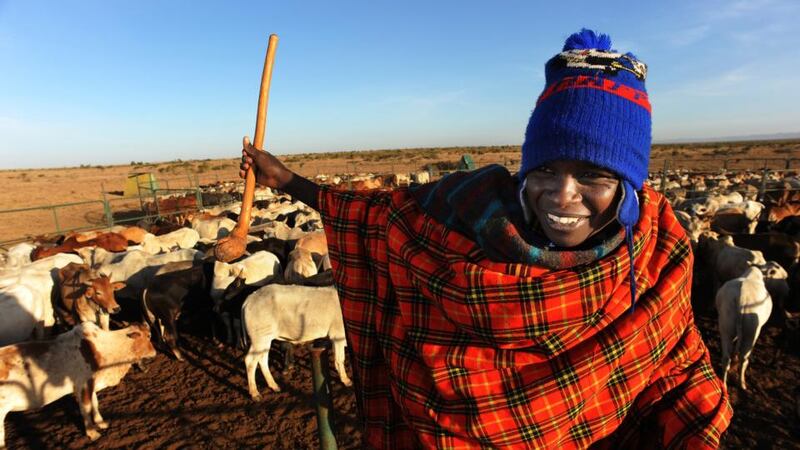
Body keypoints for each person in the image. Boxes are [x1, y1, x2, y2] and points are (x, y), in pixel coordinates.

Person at [239, 29, 732, 449]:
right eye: (545, 170)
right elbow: (372, 214)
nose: (563, 195)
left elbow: (679, 373)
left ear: (629, 186)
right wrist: (287, 181)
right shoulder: (457, 214)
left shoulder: (656, 251)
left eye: (594, 176)